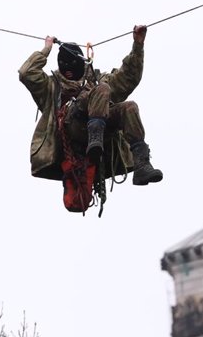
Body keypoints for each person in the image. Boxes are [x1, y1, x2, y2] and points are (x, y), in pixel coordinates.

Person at [18, 25, 163, 213]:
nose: (68, 71)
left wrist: (138, 44)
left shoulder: (97, 80)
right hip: (71, 130)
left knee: (129, 107)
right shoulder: (50, 86)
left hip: (100, 134)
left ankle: (142, 164)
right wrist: (46, 50)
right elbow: (26, 73)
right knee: (102, 89)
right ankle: (95, 138)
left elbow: (128, 78)